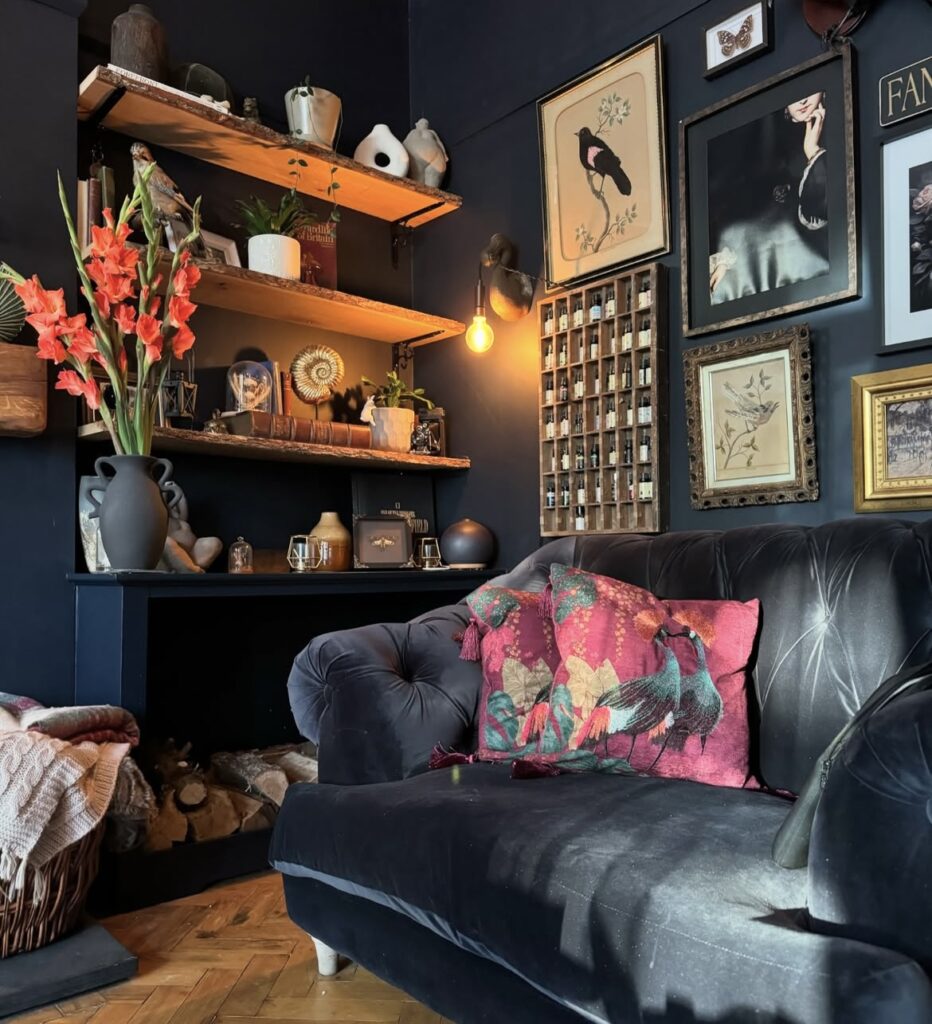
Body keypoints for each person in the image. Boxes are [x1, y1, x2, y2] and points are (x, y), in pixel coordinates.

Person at [708, 91, 829, 304]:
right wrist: (724, 258)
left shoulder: (834, 130)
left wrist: (814, 154)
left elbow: (822, 211)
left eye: (809, 92)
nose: (802, 100)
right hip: (750, 258)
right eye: (795, 94)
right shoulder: (761, 137)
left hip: (810, 262)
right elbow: (734, 205)